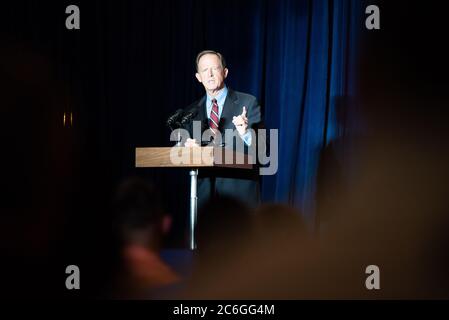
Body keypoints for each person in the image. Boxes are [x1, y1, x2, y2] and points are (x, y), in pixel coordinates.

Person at [182, 50, 264, 208]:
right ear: (198, 77)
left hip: (239, 196)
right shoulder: (190, 112)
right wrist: (189, 150)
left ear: (225, 72)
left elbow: (263, 150)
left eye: (215, 68)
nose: (210, 74)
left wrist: (245, 133)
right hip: (204, 198)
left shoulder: (247, 102)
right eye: (205, 70)